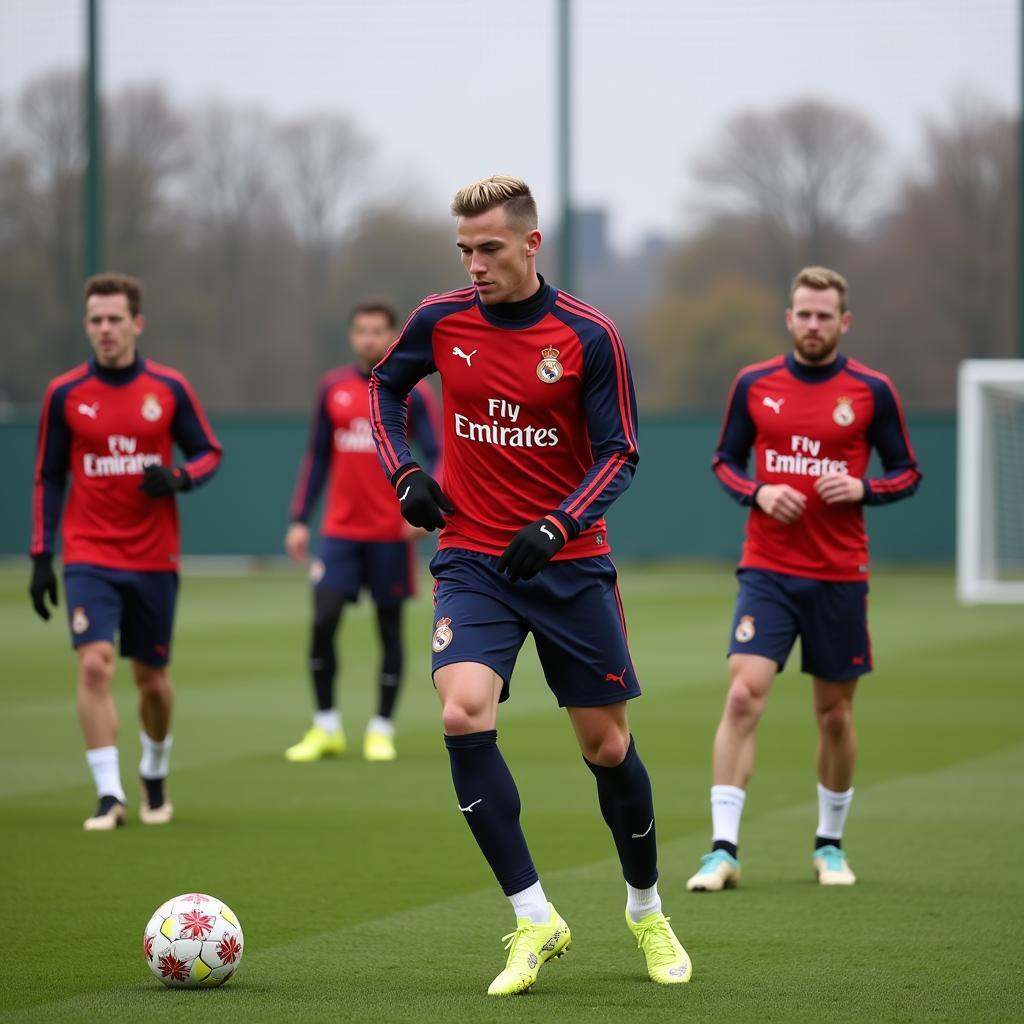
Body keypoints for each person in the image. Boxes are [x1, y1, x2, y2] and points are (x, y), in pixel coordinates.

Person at [370, 176, 691, 995]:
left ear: (531, 244)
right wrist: (405, 471)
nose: (474, 264)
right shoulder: (441, 320)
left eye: (489, 248)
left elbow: (620, 451)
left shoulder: (588, 334)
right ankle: (533, 917)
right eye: (464, 250)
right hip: (473, 558)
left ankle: (647, 910)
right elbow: (384, 387)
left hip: (570, 565)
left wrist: (558, 525)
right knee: (460, 709)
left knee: (606, 747)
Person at [687, 266, 921, 892]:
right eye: (803, 313)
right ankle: (722, 850)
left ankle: (830, 845)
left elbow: (906, 472)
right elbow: (723, 461)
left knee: (835, 717)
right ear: (788, 318)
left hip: (840, 575)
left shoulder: (872, 390)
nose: (813, 325)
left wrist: (863, 487)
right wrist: (758, 492)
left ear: (844, 323)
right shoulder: (754, 384)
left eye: (825, 315)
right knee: (742, 695)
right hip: (767, 570)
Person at [30, 272, 222, 831]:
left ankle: (154, 770)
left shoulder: (168, 388)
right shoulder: (64, 393)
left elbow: (210, 451)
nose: (106, 329)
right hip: (88, 553)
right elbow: (47, 476)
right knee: (94, 664)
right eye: (96, 320)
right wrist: (43, 555)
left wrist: (179, 477)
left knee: (152, 682)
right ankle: (110, 793)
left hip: (153, 556)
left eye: (115, 319)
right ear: (86, 325)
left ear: (136, 323)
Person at [284, 300, 440, 763]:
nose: (369, 338)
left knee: (389, 630)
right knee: (323, 620)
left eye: (378, 331)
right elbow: (317, 457)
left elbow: (440, 453)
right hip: (340, 533)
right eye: (361, 330)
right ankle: (326, 726)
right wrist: (298, 519)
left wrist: (424, 511)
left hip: (391, 533)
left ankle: (381, 729)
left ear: (393, 336)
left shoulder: (412, 392)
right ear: (352, 336)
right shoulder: (331, 388)